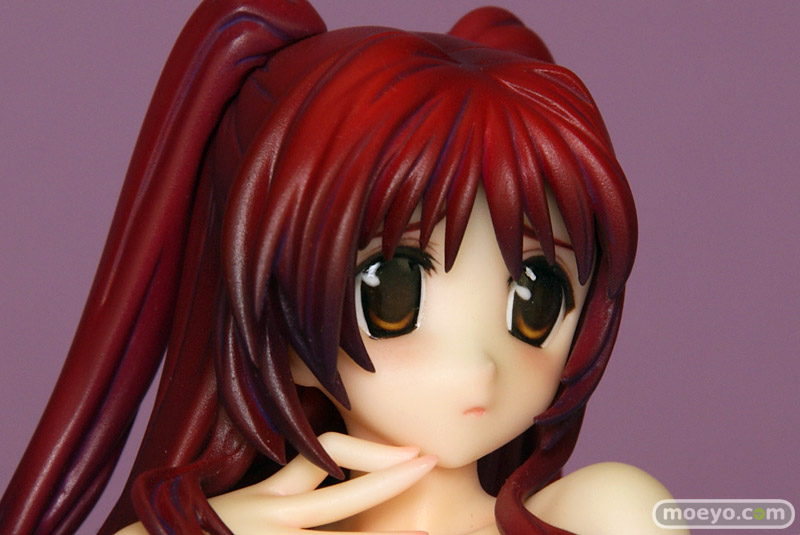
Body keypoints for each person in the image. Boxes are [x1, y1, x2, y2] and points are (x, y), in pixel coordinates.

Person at [0, 1, 683, 534]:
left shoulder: (601, 514)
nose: (480, 365)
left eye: (536, 298)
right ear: (280, 320)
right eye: (394, 294)